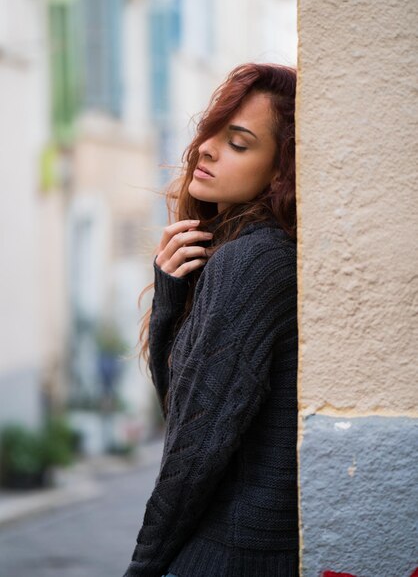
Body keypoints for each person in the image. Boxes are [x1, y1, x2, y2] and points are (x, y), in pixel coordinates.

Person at [122, 62, 298, 577]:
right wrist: (173, 298)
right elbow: (190, 408)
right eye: (212, 132)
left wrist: (144, 565)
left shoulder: (252, 261)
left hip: (233, 556)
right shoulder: (254, 251)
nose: (206, 149)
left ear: (281, 171)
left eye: (239, 143)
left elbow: (193, 446)